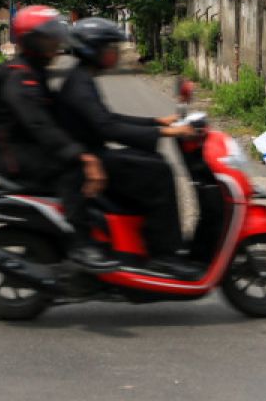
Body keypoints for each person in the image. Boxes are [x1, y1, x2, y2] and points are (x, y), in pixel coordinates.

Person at [56, 17, 201, 279]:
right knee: (159, 173)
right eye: (109, 47)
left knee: (151, 159)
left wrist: (157, 121)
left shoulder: (82, 78)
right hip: (87, 161)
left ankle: (146, 243)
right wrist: (166, 131)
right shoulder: (79, 83)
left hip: (92, 155)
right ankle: (163, 256)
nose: (115, 53)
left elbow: (107, 118)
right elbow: (107, 127)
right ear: (93, 49)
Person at [0, 5, 119, 271]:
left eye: (54, 37)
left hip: (25, 148)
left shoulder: (35, 71)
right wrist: (80, 155)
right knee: (74, 170)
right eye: (48, 38)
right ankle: (82, 245)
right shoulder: (20, 77)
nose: (55, 45)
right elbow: (41, 127)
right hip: (16, 156)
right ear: (32, 40)